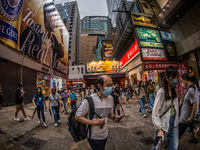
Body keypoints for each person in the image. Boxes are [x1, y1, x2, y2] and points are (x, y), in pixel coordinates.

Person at [75, 75, 121, 150]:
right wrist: (95, 123)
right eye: (108, 85)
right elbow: (77, 116)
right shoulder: (89, 100)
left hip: (105, 134)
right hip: (94, 136)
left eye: (111, 85)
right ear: (99, 86)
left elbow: (109, 113)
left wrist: (114, 117)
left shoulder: (110, 98)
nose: (110, 88)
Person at [152, 66, 179, 150]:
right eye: (173, 78)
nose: (176, 80)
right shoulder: (161, 92)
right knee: (156, 147)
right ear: (167, 78)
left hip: (174, 123)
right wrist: (159, 129)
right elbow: (155, 113)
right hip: (164, 124)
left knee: (174, 147)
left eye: (177, 77)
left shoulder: (174, 90)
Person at [179, 73, 198, 143]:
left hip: (185, 116)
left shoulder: (190, 90)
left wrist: (192, 116)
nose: (182, 83)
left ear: (186, 80)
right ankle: (195, 138)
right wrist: (182, 100)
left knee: (178, 133)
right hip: (188, 114)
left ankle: (172, 145)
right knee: (192, 125)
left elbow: (195, 103)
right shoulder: (189, 88)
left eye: (182, 81)